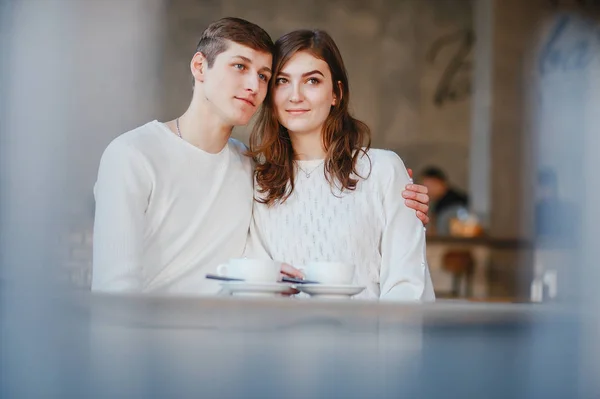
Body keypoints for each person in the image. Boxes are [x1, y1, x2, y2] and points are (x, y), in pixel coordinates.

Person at [91, 18, 431, 295]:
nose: (254, 85)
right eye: (240, 67)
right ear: (200, 66)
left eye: (264, 76)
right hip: (168, 348)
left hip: (329, 356)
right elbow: (114, 287)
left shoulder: (251, 168)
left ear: (336, 94)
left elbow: (406, 284)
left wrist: (401, 193)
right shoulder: (136, 155)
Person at [247, 29, 435, 301]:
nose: (295, 95)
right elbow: (258, 289)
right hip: (285, 339)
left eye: (312, 80)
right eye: (282, 81)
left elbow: (406, 284)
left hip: (369, 339)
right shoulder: (259, 183)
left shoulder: (383, 170)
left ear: (336, 93)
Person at [420, 166, 468, 235]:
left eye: (429, 186)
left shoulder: (454, 205)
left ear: (440, 183)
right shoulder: (440, 204)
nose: (427, 190)